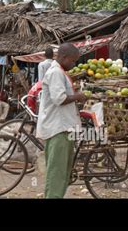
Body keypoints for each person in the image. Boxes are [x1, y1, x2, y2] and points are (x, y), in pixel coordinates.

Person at [37, 43, 87, 198]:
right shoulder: (55, 73)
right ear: (64, 58)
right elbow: (60, 99)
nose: (74, 65)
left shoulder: (60, 72)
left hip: (63, 127)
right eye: (73, 61)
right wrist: (78, 96)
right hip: (57, 129)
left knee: (62, 172)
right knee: (57, 173)